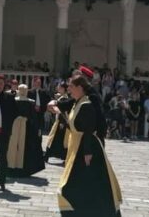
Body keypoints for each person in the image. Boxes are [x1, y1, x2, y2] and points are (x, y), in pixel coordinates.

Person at [57, 74, 122, 216]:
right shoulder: (77, 102)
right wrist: (60, 115)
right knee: (80, 183)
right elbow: (75, 126)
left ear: (80, 88)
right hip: (78, 146)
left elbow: (87, 130)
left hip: (87, 147)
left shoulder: (86, 105)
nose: (68, 89)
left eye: (71, 86)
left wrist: (87, 152)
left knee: (81, 182)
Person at [7, 84, 45, 177]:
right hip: (26, 128)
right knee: (20, 147)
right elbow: (34, 118)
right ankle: (19, 169)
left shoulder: (16, 101)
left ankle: (11, 167)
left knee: (15, 147)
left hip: (19, 127)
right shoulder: (30, 102)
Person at [45, 82, 71, 162]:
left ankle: (48, 156)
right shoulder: (63, 97)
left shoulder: (64, 98)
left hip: (61, 122)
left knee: (55, 139)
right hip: (60, 122)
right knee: (56, 139)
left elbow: (63, 111)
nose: (58, 87)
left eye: (59, 86)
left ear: (63, 88)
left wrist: (62, 122)